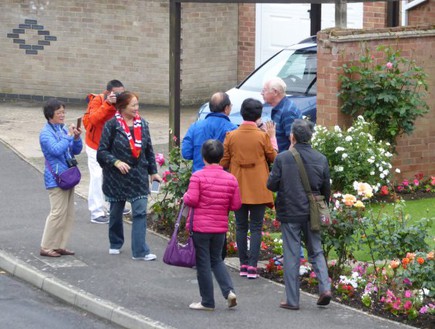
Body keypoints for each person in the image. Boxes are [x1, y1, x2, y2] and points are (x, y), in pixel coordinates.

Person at [267, 119, 332, 310]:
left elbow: (271, 185)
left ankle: (292, 300)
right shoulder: (321, 158)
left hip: (290, 211)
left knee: (292, 253)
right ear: (310, 137)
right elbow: (325, 189)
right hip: (312, 211)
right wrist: (320, 207)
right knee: (317, 250)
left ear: (292, 137)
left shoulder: (283, 158)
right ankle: (325, 288)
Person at [97, 91, 162, 260]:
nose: (136, 108)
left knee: (140, 212)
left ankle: (140, 251)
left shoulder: (143, 124)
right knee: (116, 211)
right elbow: (102, 151)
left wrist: (153, 172)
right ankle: (115, 242)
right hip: (117, 176)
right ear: (122, 107)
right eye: (133, 105)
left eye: (137, 105)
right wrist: (116, 162)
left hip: (138, 174)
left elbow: (148, 150)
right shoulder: (112, 125)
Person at [220, 98, 277, 279]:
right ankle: (253, 266)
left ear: (242, 113)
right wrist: (272, 136)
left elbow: (223, 161)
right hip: (259, 186)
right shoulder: (263, 136)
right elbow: (274, 158)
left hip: (237, 186)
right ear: (258, 115)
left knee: (241, 226)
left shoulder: (231, 136)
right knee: (256, 227)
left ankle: (243, 264)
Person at [183, 139, 242, 311]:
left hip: (200, 227)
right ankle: (229, 291)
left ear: (203, 157)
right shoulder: (231, 179)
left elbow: (192, 199)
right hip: (219, 227)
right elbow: (236, 205)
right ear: (221, 156)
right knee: (216, 260)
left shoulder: (197, 176)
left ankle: (207, 301)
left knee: (203, 263)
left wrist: (185, 196)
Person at [39, 98, 83, 257]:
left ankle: (59, 245)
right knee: (57, 212)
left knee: (68, 213)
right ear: (50, 115)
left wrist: (76, 138)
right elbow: (56, 150)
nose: (63, 115)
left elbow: (75, 151)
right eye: (59, 113)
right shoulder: (45, 133)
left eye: (64, 112)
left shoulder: (63, 129)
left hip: (68, 175)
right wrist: (69, 136)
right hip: (55, 178)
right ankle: (46, 246)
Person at [83, 79, 127, 224]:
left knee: (113, 175)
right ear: (108, 92)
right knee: (97, 176)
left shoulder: (123, 104)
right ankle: (96, 211)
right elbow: (92, 121)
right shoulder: (98, 101)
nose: (120, 96)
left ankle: (113, 204)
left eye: (122, 93)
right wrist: (108, 104)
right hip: (95, 145)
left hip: (112, 146)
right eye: (117, 94)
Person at [181, 92, 237, 173]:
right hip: (222, 179)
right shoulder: (233, 129)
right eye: (230, 106)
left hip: (199, 179)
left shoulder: (195, 126)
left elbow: (186, 153)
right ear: (226, 108)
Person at [262, 77, 302, 153]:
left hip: (283, 161)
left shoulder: (288, 112)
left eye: (264, 90)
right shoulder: (281, 107)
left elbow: (294, 143)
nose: (261, 93)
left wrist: (284, 161)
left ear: (275, 92)